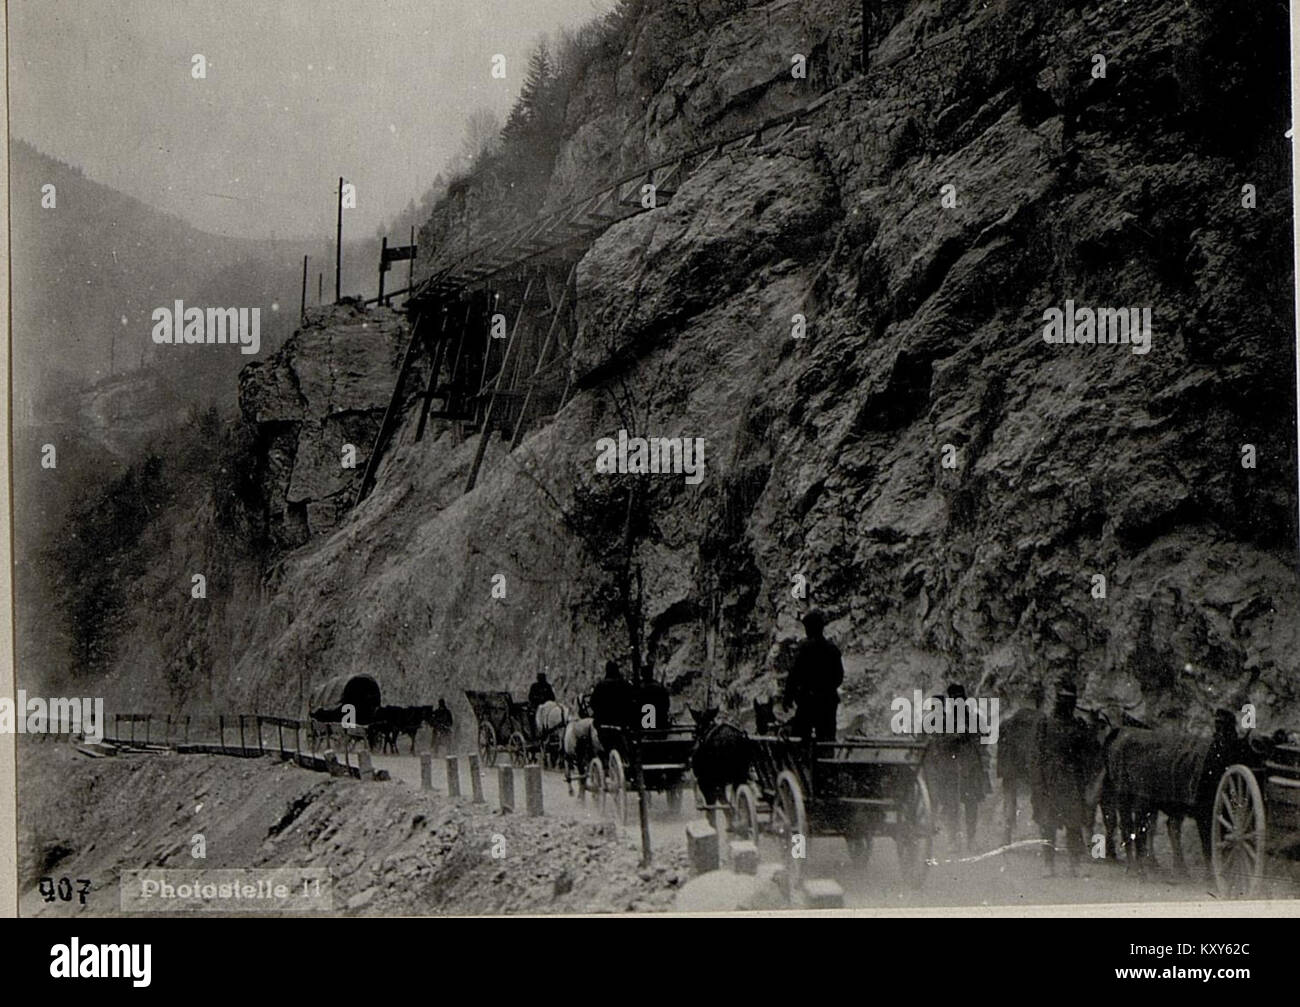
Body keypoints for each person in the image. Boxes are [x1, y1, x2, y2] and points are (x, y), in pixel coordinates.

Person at [1030, 679, 1097, 877]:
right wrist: (1037, 784)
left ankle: (1074, 864)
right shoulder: (1044, 724)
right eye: (1063, 699)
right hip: (1049, 780)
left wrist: (1092, 727)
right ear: (1057, 700)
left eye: (1070, 700)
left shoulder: (1078, 725)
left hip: (1071, 780)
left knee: (1074, 824)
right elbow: (1036, 756)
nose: (1066, 704)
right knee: (1047, 825)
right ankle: (1048, 864)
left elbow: (1090, 750)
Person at [928, 683, 992, 853]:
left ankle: (970, 839)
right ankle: (953, 840)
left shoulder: (975, 718)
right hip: (950, 767)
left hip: (969, 767)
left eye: (960, 698)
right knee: (951, 805)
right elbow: (936, 743)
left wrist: (975, 747)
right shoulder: (943, 720)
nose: (958, 702)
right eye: (955, 699)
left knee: (970, 805)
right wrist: (952, 738)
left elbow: (984, 740)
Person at [783, 610, 844, 742]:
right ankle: (825, 761)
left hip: (807, 701)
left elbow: (793, 675)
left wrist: (788, 697)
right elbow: (839, 677)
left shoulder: (804, 648)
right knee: (826, 740)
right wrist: (826, 688)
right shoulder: (832, 649)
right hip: (827, 701)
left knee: (799, 738)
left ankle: (803, 762)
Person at [590, 660, 636, 753]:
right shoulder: (626, 685)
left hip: (604, 724)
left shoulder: (600, 686)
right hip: (623, 723)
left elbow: (593, 703)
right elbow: (633, 703)